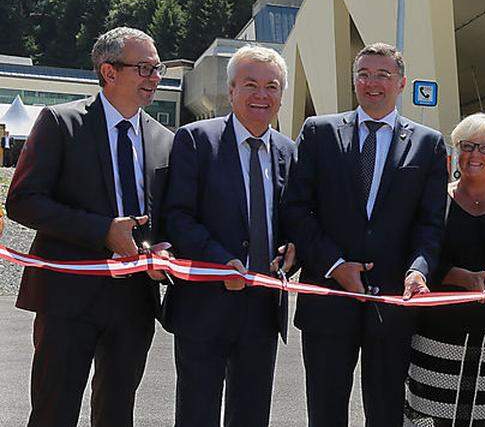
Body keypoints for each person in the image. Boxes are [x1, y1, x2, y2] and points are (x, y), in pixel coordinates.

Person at [7, 26, 173, 426]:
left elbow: (168, 216)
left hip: (134, 301)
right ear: (109, 71)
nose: (154, 78)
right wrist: (102, 231)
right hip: (67, 297)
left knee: (117, 413)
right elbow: (22, 201)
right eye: (145, 68)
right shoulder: (61, 124)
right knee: (53, 410)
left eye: (157, 68)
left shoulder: (166, 139)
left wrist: (162, 251)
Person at [281, 43, 448, 427]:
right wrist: (335, 264)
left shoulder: (427, 143)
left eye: (383, 75)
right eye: (364, 74)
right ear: (354, 80)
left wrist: (419, 270)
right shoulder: (319, 132)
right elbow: (296, 208)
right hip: (328, 297)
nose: (372, 83)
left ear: (402, 83)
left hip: (392, 301)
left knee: (386, 410)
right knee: (325, 410)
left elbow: (430, 223)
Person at [160, 45, 298, 427]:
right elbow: (178, 217)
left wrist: (292, 251)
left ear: (282, 96)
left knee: (252, 413)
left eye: (272, 87)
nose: (261, 95)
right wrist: (221, 261)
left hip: (263, 308)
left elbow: (293, 220)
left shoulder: (288, 151)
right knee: (197, 412)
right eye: (250, 85)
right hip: (205, 305)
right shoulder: (196, 140)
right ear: (231, 90)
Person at [404, 113, 485, 426]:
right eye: (467, 146)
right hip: (437, 335)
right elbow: (420, 252)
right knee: (427, 417)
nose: (474, 155)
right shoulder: (435, 199)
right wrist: (460, 278)